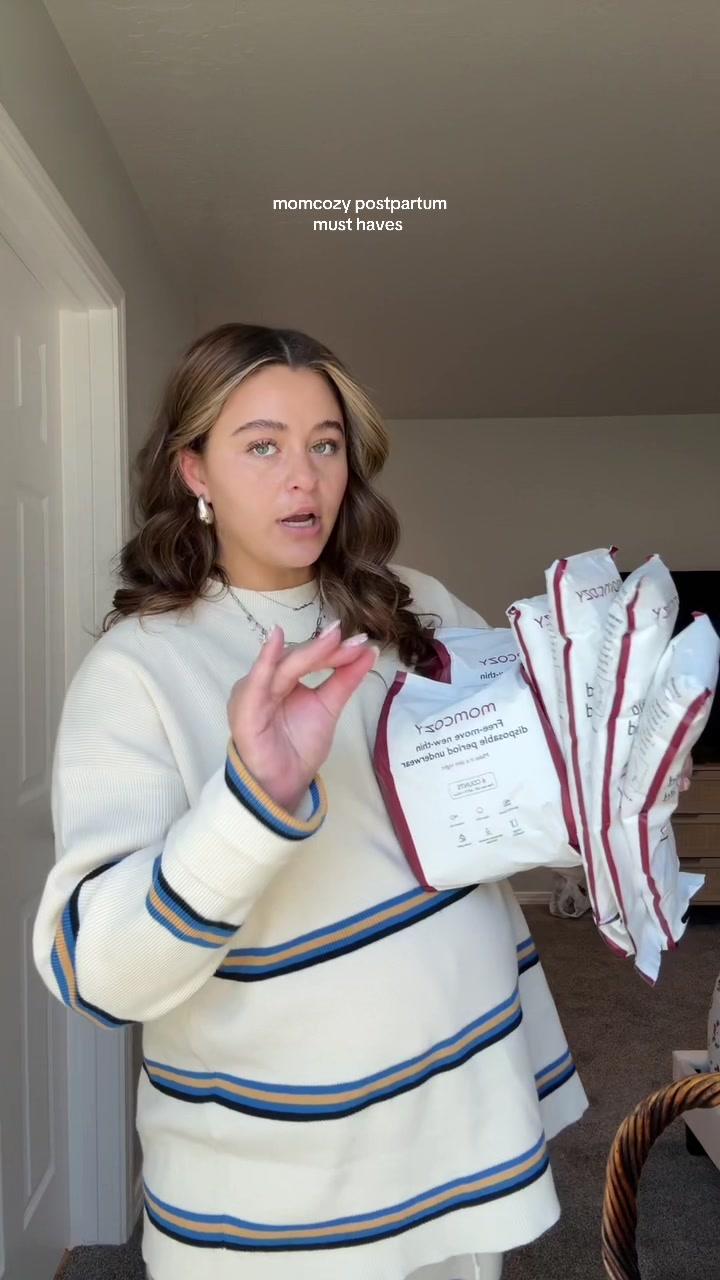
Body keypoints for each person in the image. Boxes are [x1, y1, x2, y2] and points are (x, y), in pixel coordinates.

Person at [33, 323, 588, 1280]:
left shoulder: (414, 602)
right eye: (263, 446)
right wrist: (251, 803)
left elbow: (521, 804)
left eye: (325, 444)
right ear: (195, 471)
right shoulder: (134, 673)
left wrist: (610, 787)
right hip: (281, 1190)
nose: (305, 477)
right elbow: (98, 972)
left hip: (464, 1110)